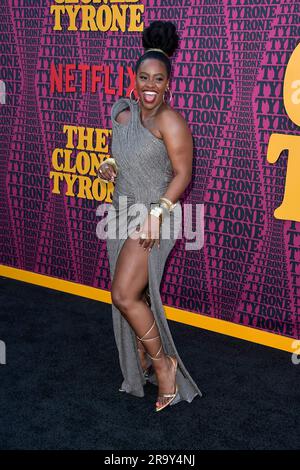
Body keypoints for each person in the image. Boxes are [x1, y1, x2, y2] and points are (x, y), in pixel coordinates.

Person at [98, 20, 202, 412]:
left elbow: (183, 175)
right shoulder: (122, 115)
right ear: (134, 77)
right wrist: (107, 165)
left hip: (156, 216)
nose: (150, 86)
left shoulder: (170, 122)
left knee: (123, 293)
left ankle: (164, 365)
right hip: (121, 212)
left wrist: (156, 215)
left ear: (168, 83)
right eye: (144, 77)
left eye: (158, 79)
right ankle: (142, 360)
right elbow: (120, 153)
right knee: (133, 294)